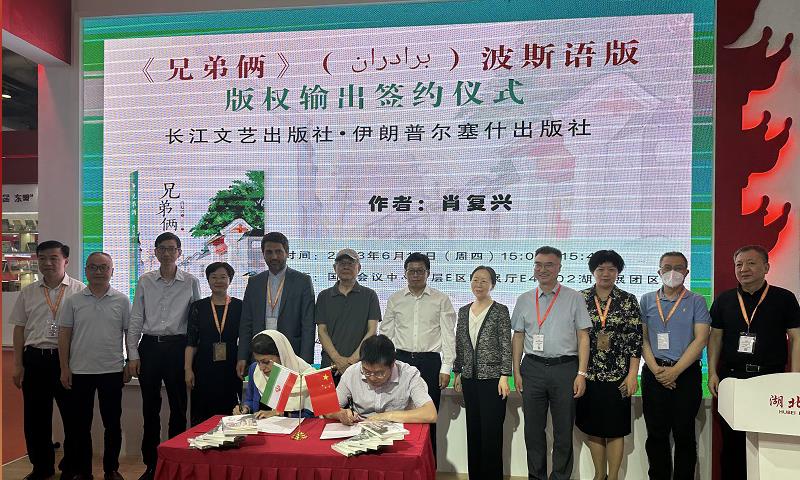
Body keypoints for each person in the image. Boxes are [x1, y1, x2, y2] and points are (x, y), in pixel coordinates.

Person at [708, 245, 800, 480]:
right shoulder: (724, 300)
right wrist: (712, 374)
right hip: (733, 379)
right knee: (732, 444)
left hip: (770, 379)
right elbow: (715, 338)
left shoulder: (784, 298)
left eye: (751, 263)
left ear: (766, 267)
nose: (743, 269)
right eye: (739, 264)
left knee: (767, 441)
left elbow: (796, 337)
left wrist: (795, 377)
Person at [511, 246, 591, 480]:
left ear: (559, 268)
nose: (542, 269)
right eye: (538, 264)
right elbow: (518, 336)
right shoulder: (524, 299)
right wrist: (516, 371)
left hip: (565, 369)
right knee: (533, 430)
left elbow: (583, 337)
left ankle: (560, 477)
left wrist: (581, 374)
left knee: (563, 430)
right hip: (532, 368)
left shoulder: (574, 297)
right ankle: (536, 476)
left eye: (549, 265)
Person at [126, 232, 201, 480]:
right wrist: (132, 354)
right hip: (150, 347)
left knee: (179, 408)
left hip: (178, 347)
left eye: (172, 248)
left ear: (179, 252)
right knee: (150, 408)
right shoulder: (145, 280)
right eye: (162, 248)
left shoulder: (190, 281)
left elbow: (196, 321)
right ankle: (151, 464)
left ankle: (175, 462)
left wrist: (193, 357)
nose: (167, 253)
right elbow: (136, 318)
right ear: (156, 252)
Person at [9, 240, 85, 480]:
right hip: (35, 359)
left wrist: (69, 365)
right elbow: (19, 329)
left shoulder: (79, 290)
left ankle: (71, 467)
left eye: (54, 258)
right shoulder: (29, 291)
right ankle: (41, 467)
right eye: (42, 258)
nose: (47, 263)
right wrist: (18, 364)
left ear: (66, 261)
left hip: (67, 361)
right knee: (35, 419)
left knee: (73, 418)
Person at [57, 252, 130, 480]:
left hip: (112, 370)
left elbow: (129, 333)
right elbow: (64, 335)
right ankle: (84, 471)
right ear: (86, 270)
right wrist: (64, 368)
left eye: (103, 267)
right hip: (80, 371)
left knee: (113, 424)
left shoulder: (122, 300)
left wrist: (129, 362)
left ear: (112, 271)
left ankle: (111, 469)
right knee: (80, 426)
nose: (98, 271)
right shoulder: (73, 301)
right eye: (93, 267)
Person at [640, 251, 710, 480]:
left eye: (678, 267)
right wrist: (656, 370)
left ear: (686, 272)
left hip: (686, 375)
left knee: (684, 434)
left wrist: (675, 372)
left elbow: (701, 339)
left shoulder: (697, 300)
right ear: (659, 272)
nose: (672, 272)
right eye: (667, 267)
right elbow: (642, 339)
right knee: (656, 435)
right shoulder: (647, 300)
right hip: (654, 374)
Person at [576, 250, 642, 480]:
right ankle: (599, 475)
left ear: (618, 272)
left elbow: (635, 340)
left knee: (615, 429)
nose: (606, 273)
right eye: (601, 269)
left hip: (618, 376)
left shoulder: (628, 299)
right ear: (593, 272)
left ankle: (613, 476)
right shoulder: (580, 298)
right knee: (593, 428)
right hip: (588, 374)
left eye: (611, 269)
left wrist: (632, 374)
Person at [382, 252, 455, 455]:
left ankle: (428, 465)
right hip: (401, 361)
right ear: (405, 273)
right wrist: (386, 363)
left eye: (420, 271)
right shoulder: (395, 299)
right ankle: (401, 460)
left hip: (430, 362)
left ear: (428, 273)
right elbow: (386, 333)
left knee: (428, 415)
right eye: (411, 271)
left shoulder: (441, 299)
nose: (415, 275)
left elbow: (448, 335)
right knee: (399, 411)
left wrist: (446, 367)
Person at [453, 266, 512, 480]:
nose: (479, 284)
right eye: (475, 280)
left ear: (492, 285)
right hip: (470, 379)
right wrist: (457, 372)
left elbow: (506, 344)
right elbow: (460, 343)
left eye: (484, 281)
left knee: (491, 433)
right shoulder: (463, 311)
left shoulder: (500, 310)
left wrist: (505, 375)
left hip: (493, 380)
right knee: (474, 431)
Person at [237, 231, 316, 376]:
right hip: (259, 353)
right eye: (269, 252)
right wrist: (242, 356)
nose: (274, 256)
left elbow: (308, 325)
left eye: (278, 251)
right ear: (263, 254)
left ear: (287, 252)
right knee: (262, 390)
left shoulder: (302, 281)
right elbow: (246, 323)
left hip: (291, 353)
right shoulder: (254, 282)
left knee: (290, 391)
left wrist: (306, 361)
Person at [331, 334, 437, 425]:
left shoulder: (409, 374)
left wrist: (386, 416)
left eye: (379, 373)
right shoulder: (352, 373)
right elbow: (328, 409)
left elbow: (430, 414)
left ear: (392, 364)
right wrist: (340, 414)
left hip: (399, 430)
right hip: (361, 429)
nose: (372, 377)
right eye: (366, 371)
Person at [184, 262, 243, 426]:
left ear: (230, 280)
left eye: (223, 277)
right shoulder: (198, 307)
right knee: (202, 415)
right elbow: (191, 341)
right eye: (214, 277)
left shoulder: (239, 306)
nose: (218, 281)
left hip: (231, 368)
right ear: (208, 280)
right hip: (203, 368)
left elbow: (245, 338)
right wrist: (188, 369)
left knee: (230, 415)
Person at [316, 248, 381, 383]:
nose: (346, 266)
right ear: (334, 268)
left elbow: (372, 331)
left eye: (350, 263)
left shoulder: (370, 295)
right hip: (329, 366)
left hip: (361, 366)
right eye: (341, 263)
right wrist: (338, 360)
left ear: (359, 268)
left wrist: (351, 361)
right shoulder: (324, 296)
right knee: (325, 398)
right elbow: (322, 332)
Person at [233, 330, 315, 418]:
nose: (261, 368)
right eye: (258, 361)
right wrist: (245, 408)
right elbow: (250, 400)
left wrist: (279, 414)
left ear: (281, 355)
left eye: (266, 362)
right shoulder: (254, 369)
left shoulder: (307, 374)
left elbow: (313, 415)